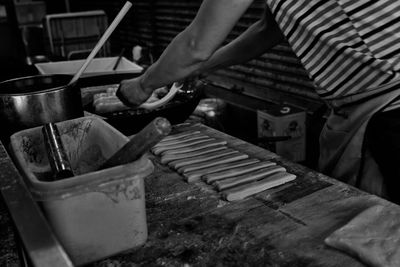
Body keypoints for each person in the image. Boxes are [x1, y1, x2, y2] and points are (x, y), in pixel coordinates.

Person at [116, 0, 400, 203]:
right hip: (374, 102)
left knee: (380, 224)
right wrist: (200, 67)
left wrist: (142, 85)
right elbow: (266, 30)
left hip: (390, 106)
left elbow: (195, 45)